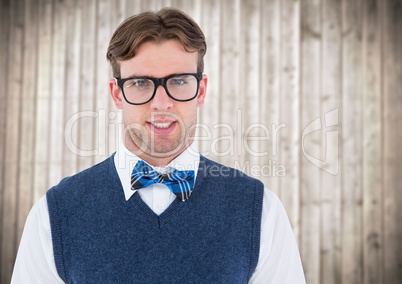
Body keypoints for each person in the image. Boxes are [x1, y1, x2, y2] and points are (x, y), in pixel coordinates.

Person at [11, 7, 306, 283]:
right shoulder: (54, 215)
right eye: (140, 83)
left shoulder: (261, 210)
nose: (161, 103)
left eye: (178, 81)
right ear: (117, 94)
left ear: (200, 90)